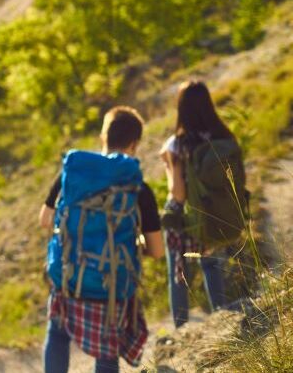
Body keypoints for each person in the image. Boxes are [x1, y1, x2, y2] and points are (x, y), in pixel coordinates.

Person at [38, 107, 164, 373]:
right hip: (112, 285)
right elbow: (156, 251)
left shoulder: (72, 174)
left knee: (58, 334)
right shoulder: (138, 187)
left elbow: (45, 221)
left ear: (103, 137)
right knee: (107, 355)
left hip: (69, 278)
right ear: (134, 144)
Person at [159, 80, 236, 327]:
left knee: (178, 275)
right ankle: (221, 316)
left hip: (186, 218)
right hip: (216, 213)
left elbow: (178, 194)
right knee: (213, 266)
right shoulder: (223, 136)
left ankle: (181, 329)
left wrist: (168, 167)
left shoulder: (178, 143)